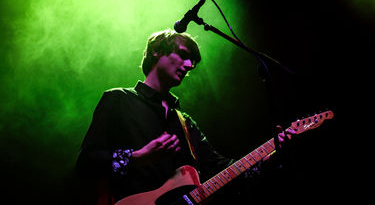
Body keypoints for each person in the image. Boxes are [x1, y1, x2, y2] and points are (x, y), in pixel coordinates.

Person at [75, 29, 295, 205]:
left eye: (193, 62)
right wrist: (138, 156)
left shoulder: (184, 121)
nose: (189, 66)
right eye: (183, 55)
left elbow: (218, 168)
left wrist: (267, 156)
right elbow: (87, 162)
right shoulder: (118, 99)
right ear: (156, 51)